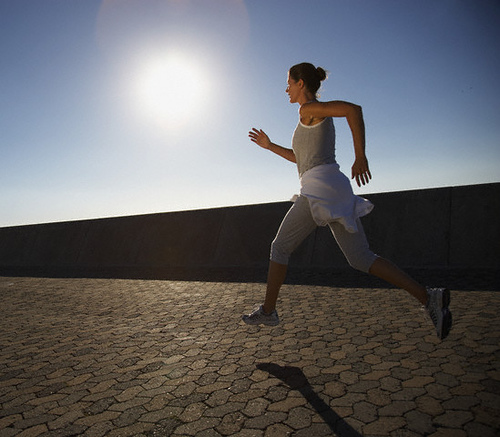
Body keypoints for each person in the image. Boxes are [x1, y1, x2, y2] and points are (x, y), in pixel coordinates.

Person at [242, 62, 452, 340]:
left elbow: (353, 110)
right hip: (333, 186)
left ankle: (268, 312)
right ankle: (429, 297)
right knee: (361, 258)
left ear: (301, 83)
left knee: (279, 247)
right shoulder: (310, 117)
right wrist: (270, 147)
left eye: (290, 83)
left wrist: (360, 156)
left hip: (319, 189)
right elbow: (300, 159)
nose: (287, 89)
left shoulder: (307, 109)